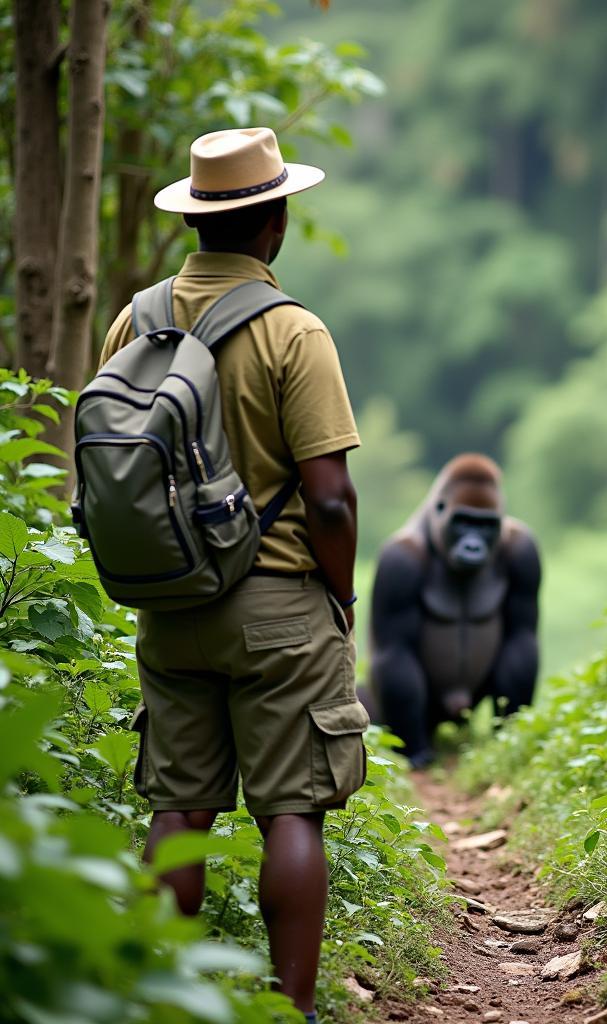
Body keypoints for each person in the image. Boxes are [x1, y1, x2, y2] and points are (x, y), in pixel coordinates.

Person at [98, 127, 361, 1024]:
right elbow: (329, 498)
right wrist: (343, 594)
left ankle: (153, 999)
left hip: (168, 605)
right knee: (292, 812)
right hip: (280, 608)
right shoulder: (294, 331)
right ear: (275, 220)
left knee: (179, 810)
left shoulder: (136, 318)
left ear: (199, 220)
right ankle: (287, 1010)